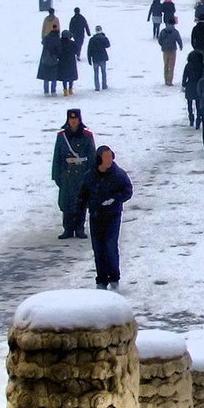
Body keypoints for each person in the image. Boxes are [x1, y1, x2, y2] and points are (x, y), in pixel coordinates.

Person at [78, 146, 133, 289]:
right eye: (106, 157)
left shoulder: (118, 174)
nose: (109, 160)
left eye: (111, 157)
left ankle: (114, 278)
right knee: (98, 249)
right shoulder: (90, 175)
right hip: (96, 216)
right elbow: (83, 195)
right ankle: (101, 279)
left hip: (113, 216)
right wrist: (80, 213)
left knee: (110, 247)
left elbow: (127, 191)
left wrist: (115, 199)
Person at [51, 109, 95, 238]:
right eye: (71, 119)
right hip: (67, 175)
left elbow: (91, 155)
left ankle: (79, 228)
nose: (73, 121)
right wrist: (56, 175)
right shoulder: (61, 136)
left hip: (82, 173)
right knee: (67, 203)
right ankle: (68, 229)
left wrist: (92, 173)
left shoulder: (87, 135)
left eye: (75, 119)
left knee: (81, 202)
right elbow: (57, 156)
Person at [181, 48, 204, 126]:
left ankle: (191, 117)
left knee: (189, 104)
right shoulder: (202, 65)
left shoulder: (188, 65)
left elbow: (185, 76)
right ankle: (198, 119)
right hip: (199, 86)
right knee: (199, 105)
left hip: (190, 85)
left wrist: (184, 84)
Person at [37, 27, 63, 94]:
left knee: (46, 77)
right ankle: (53, 91)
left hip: (45, 58)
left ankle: (46, 91)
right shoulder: (57, 40)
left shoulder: (46, 38)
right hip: (54, 59)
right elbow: (59, 50)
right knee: (53, 77)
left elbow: (43, 43)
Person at [55, 24, 80, 96]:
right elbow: (76, 50)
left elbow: (57, 52)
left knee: (64, 77)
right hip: (71, 61)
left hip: (62, 62)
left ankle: (65, 90)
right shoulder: (72, 43)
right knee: (71, 76)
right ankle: (70, 89)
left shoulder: (59, 43)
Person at [157, 20, 183, 85]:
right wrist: (180, 46)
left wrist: (163, 45)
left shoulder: (163, 31)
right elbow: (178, 39)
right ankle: (170, 80)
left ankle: (166, 79)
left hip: (165, 50)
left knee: (166, 65)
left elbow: (159, 40)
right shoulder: (175, 32)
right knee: (171, 65)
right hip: (172, 49)